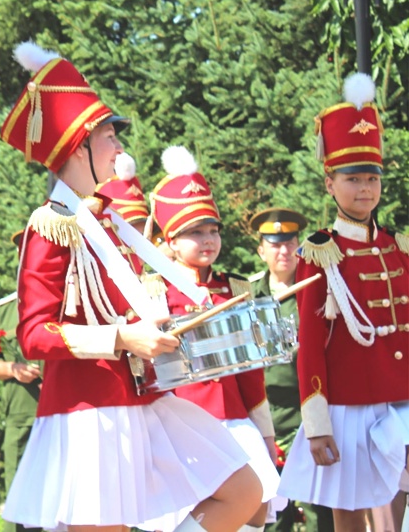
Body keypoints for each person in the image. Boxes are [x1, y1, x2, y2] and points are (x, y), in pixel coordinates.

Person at [0, 41, 261, 532]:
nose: (119, 149)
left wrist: (155, 326)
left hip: (140, 397)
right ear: (80, 147)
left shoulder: (104, 220)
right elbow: (33, 335)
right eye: (109, 137)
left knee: (245, 492)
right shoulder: (51, 225)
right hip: (88, 412)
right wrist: (124, 337)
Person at [278, 73, 409, 532]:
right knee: (347, 506)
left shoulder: (399, 247)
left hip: (401, 400)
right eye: (353, 179)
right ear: (330, 182)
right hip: (348, 405)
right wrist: (317, 423)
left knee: (398, 503)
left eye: (372, 178)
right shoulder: (320, 252)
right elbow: (312, 344)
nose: (365, 189)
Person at [148, 146, 282, 532]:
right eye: (194, 232)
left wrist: (266, 433)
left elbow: (251, 374)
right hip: (182, 425)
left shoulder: (235, 290)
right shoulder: (154, 294)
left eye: (213, 230)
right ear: (170, 241)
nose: (208, 240)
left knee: (255, 509)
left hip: (238, 420)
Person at [245, 208, 336, 532]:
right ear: (262, 250)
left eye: (290, 244)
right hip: (266, 415)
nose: (284, 251)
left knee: (318, 507)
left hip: (307, 413)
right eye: (275, 245)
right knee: (273, 504)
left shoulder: (316, 290)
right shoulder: (248, 295)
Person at [0, 231, 42, 532]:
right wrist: (13, 368)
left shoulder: (69, 305)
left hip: (66, 413)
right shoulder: (4, 310)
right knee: (18, 500)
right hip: (21, 415)